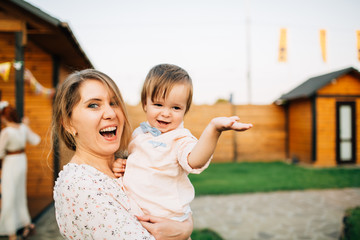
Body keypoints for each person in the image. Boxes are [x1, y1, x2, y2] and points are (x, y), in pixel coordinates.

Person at [52, 69, 193, 240]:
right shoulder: (78, 185)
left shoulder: (132, 162)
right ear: (68, 123)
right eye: (93, 105)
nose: (111, 113)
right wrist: (183, 231)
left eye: (113, 103)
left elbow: (172, 198)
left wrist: (185, 226)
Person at [116, 63, 253, 222]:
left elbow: (195, 160)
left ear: (185, 110)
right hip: (134, 213)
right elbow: (134, 162)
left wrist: (213, 130)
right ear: (145, 104)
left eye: (175, 108)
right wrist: (121, 165)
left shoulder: (179, 138)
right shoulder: (139, 133)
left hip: (165, 217)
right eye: (158, 104)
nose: (166, 113)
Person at [0, 102, 40, 240]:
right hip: (22, 161)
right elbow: (36, 140)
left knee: (9, 196)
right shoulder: (22, 128)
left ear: (4, 117)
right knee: (19, 194)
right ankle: (26, 223)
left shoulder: (6, 132)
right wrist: (27, 126)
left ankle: (11, 232)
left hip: (11, 164)